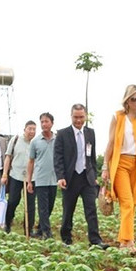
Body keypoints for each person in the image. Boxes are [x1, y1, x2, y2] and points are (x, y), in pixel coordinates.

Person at [102, 85, 136, 253]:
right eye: (133, 99)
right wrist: (105, 166)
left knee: (133, 203)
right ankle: (128, 242)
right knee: (127, 202)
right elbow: (110, 143)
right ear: (127, 101)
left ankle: (124, 240)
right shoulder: (118, 117)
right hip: (120, 163)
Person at [54, 104, 108, 248]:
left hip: (87, 176)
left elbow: (92, 155)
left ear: (85, 116)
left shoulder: (90, 133)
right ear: (71, 116)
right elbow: (58, 157)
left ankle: (95, 240)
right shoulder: (62, 134)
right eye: (76, 117)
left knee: (91, 209)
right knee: (68, 210)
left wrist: (94, 174)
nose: (78, 120)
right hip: (70, 178)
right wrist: (60, 176)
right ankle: (66, 238)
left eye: (81, 117)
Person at [2, 121, 36, 234]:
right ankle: (7, 223)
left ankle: (29, 229)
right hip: (15, 175)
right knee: (13, 201)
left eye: (34, 129)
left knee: (30, 204)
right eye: (29, 129)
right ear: (24, 129)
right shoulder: (15, 140)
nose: (32, 131)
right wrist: (5, 174)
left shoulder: (36, 142)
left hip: (31, 177)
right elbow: (8, 157)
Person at [27, 112, 58, 239]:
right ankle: (47, 233)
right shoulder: (35, 142)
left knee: (50, 206)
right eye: (42, 122)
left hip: (54, 179)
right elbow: (31, 161)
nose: (44, 124)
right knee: (43, 207)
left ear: (52, 123)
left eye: (47, 121)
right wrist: (29, 181)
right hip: (40, 179)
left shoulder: (58, 139)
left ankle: (40, 229)